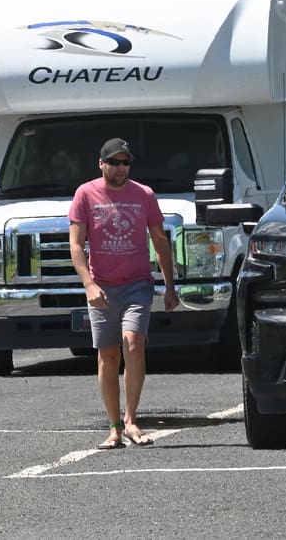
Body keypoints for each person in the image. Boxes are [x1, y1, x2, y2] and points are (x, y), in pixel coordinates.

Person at [69, 137, 179, 449]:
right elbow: (76, 245)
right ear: (101, 164)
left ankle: (131, 420)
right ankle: (114, 427)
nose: (121, 168)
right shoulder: (85, 194)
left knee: (133, 343)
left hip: (137, 285)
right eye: (115, 162)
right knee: (108, 355)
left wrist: (169, 286)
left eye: (126, 162)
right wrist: (89, 285)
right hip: (102, 286)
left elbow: (159, 240)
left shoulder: (144, 195)